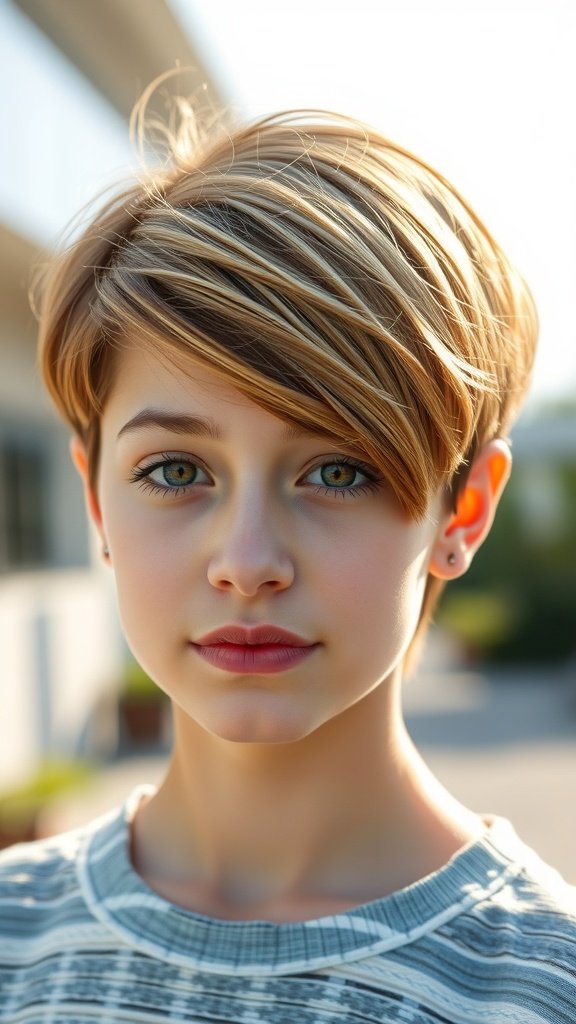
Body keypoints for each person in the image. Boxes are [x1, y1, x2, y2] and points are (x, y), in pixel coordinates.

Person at [0, 88, 574, 1023]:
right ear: (95, 496)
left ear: (463, 510)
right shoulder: (12, 938)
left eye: (339, 471)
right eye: (176, 468)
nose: (249, 560)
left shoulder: (541, 988)